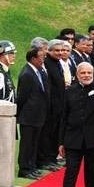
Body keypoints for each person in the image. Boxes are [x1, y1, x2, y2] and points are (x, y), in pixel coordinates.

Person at [16, 48, 49, 179]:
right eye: (41, 57)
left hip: (37, 115)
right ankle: (24, 169)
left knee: (34, 143)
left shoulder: (38, 71)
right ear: (33, 59)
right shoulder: (27, 74)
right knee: (27, 144)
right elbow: (22, 97)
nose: (43, 59)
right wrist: (19, 114)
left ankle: (32, 167)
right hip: (28, 116)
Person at [37, 39, 66, 171]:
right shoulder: (47, 64)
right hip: (50, 107)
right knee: (47, 135)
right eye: (57, 50)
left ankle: (52, 158)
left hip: (59, 105)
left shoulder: (57, 63)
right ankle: (45, 160)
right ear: (49, 51)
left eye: (62, 50)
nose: (60, 53)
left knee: (55, 134)